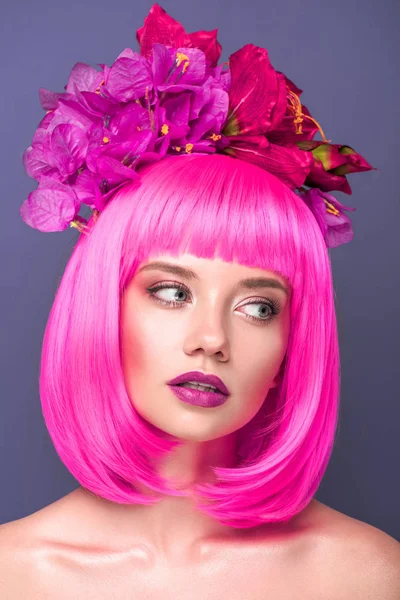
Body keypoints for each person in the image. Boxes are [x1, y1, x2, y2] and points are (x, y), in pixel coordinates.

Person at [1, 4, 399, 598]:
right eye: (171, 292)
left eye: (259, 307)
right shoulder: (15, 572)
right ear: (103, 306)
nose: (211, 338)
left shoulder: (367, 575)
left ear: (293, 344)